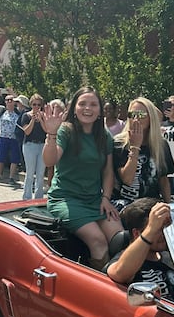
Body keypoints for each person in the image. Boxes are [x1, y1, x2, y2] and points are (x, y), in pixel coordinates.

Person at [44, 86, 121, 270]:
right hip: (66, 199)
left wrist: (106, 198)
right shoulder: (66, 131)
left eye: (93, 104)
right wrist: (51, 134)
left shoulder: (104, 136)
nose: (88, 108)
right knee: (98, 241)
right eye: (83, 104)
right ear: (74, 108)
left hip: (94, 200)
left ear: (100, 110)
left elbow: (108, 171)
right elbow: (50, 160)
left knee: (120, 239)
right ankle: (99, 289)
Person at [106, 197, 174, 302]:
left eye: (164, 228)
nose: (163, 234)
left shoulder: (171, 257)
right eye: (158, 229)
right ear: (137, 234)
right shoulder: (124, 260)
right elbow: (119, 274)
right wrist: (151, 229)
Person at [112, 97, 174, 208]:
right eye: (132, 114)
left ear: (151, 117)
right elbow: (127, 179)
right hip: (124, 206)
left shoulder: (161, 145)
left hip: (151, 205)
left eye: (141, 114)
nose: (136, 118)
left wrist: (169, 206)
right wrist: (135, 147)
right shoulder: (119, 143)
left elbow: (163, 180)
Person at [19, 93, 47, 199]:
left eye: (38, 105)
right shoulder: (26, 116)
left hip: (42, 145)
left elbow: (47, 130)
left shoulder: (44, 116)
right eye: (34, 104)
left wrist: (41, 120)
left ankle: (39, 197)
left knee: (40, 173)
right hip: (30, 145)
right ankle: (27, 197)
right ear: (31, 104)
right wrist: (33, 120)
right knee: (30, 172)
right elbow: (27, 132)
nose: (36, 107)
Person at [0, 93, 21, 187]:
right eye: (7, 100)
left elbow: (20, 101)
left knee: (14, 159)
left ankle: (11, 178)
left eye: (11, 100)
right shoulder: (2, 111)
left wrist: (12, 92)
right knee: (0, 157)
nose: (8, 102)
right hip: (3, 137)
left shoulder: (17, 112)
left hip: (13, 138)